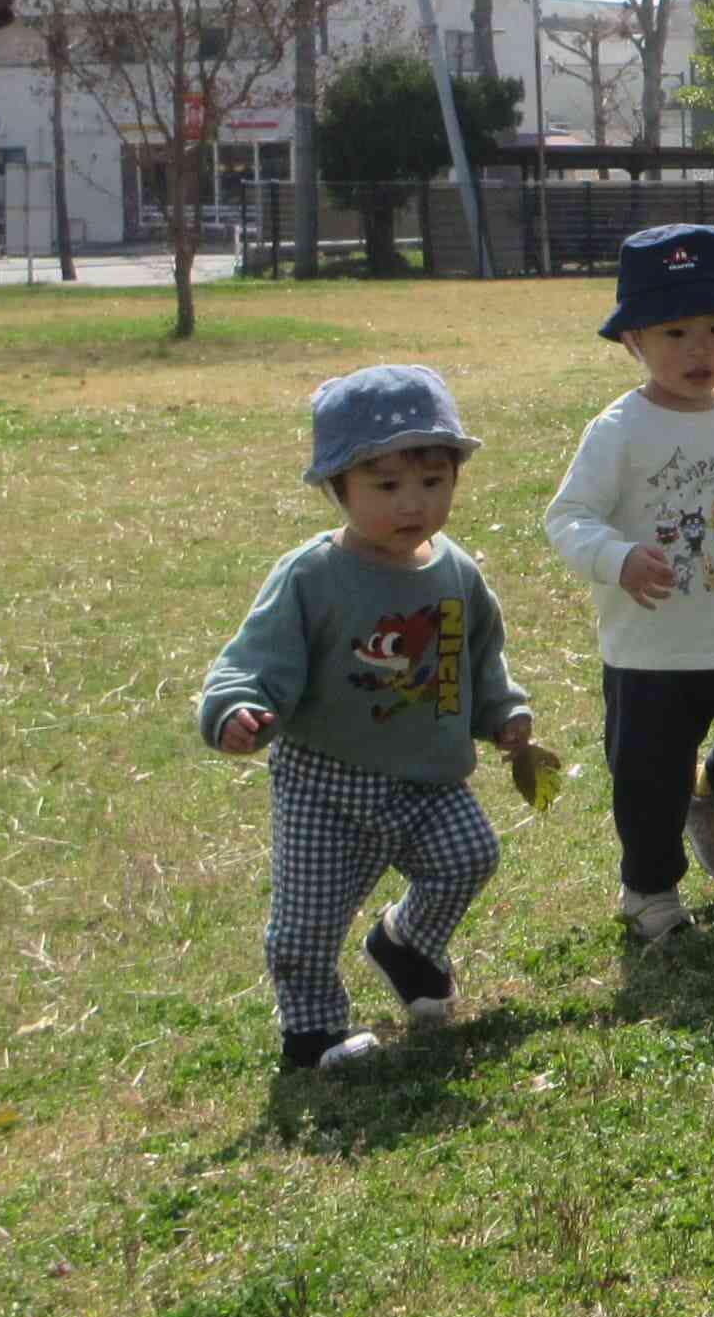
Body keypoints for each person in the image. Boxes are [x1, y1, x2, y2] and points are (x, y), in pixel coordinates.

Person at [200, 365, 532, 1072]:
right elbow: (251, 659)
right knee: (307, 923)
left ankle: (406, 943)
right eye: (385, 486)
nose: (413, 503)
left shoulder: (456, 572)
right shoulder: (312, 576)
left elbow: (478, 655)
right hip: (326, 784)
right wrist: (235, 707)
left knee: (469, 856)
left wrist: (503, 712)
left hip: (427, 778)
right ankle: (313, 1034)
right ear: (337, 487)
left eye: (433, 481)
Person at [544, 224, 714, 946]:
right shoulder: (619, 429)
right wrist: (616, 558)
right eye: (675, 332)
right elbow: (568, 517)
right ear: (632, 340)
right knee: (647, 781)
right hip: (651, 653)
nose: (700, 349)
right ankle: (649, 891)